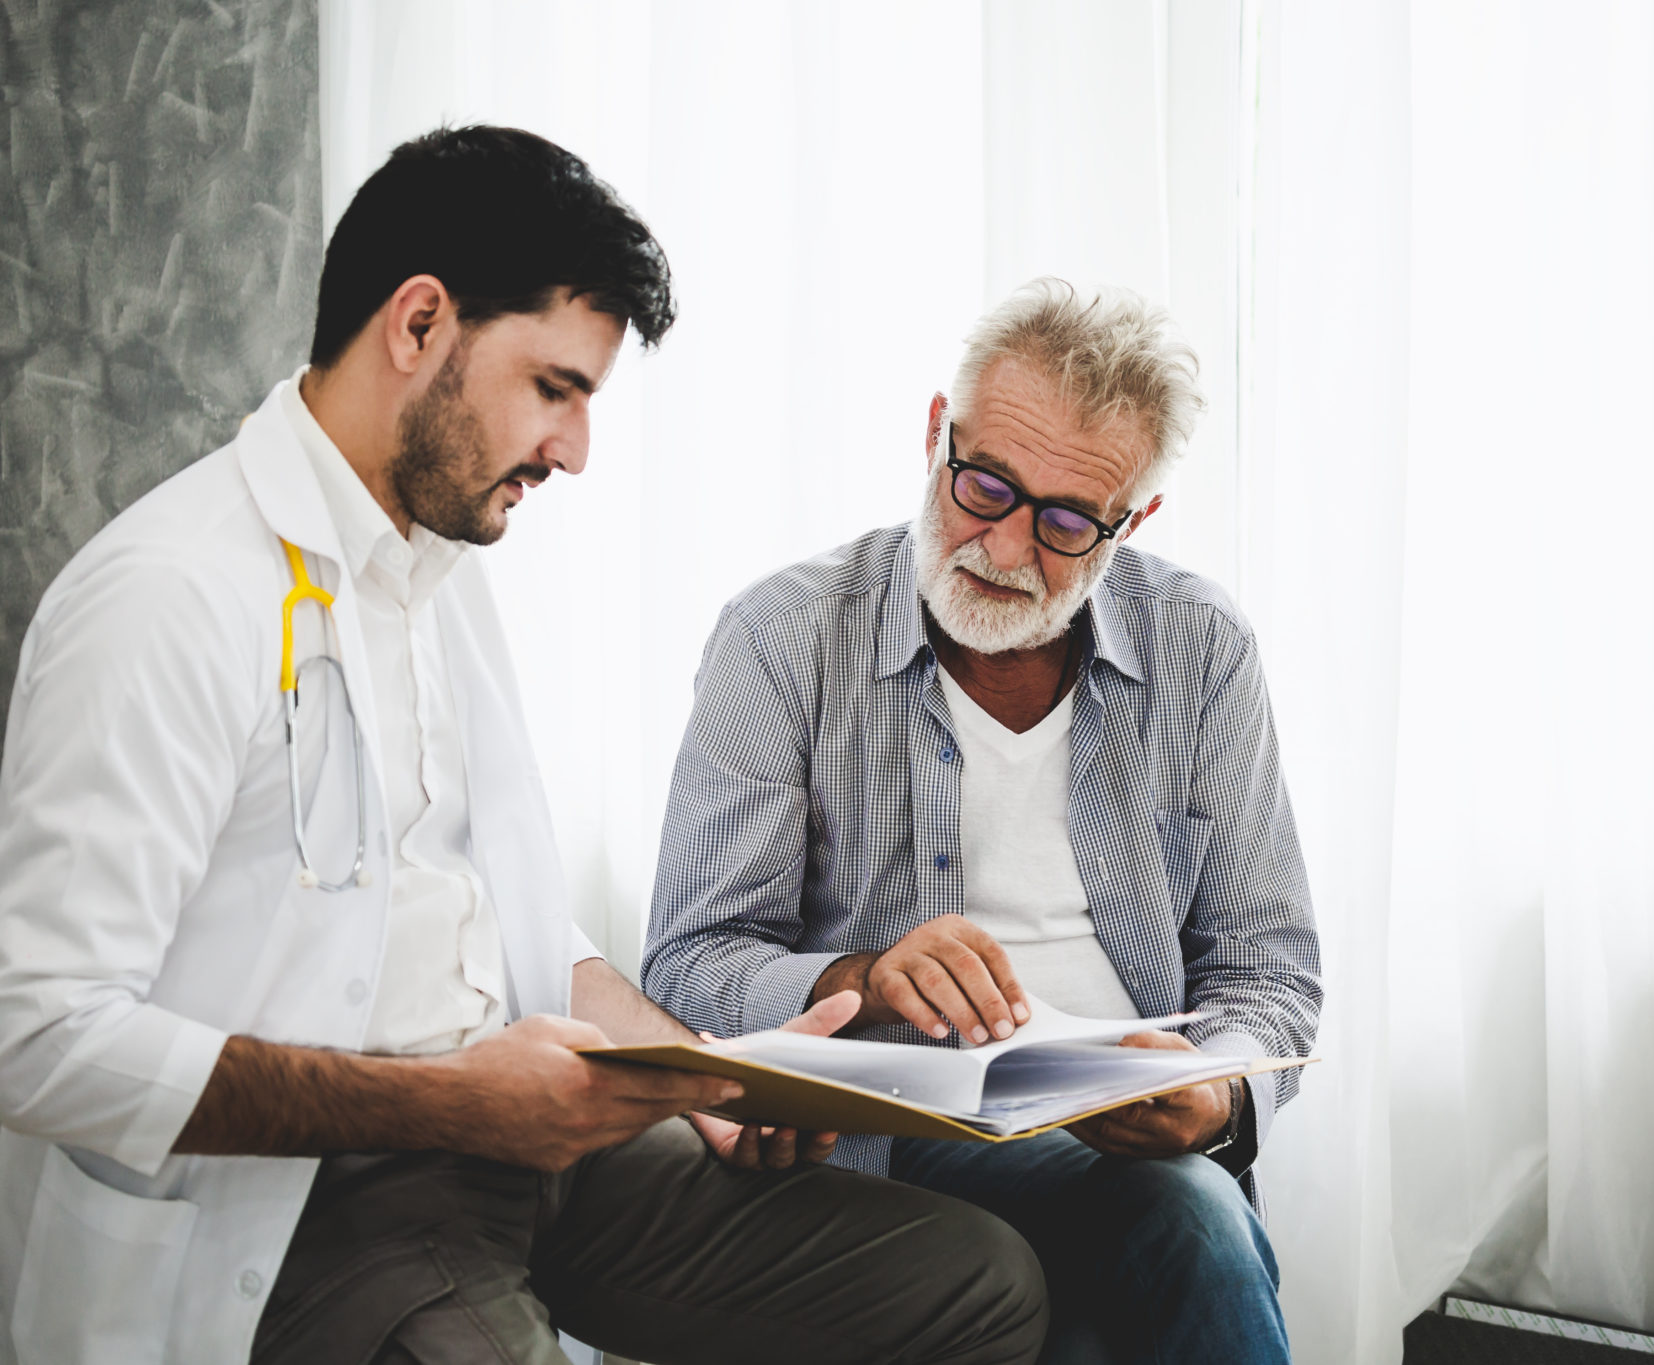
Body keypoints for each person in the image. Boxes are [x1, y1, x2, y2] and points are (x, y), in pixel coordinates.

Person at [0, 126, 1045, 1365]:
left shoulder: (439, 567)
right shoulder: (169, 596)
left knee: (974, 1284)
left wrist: (698, 1074)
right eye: (556, 389)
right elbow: (36, 1037)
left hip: (531, 1153)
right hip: (312, 1211)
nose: (574, 451)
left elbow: (512, 921)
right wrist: (454, 1102)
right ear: (419, 324)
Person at [643, 277, 1322, 1364]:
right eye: (985, 488)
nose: (1006, 552)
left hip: (1130, 1141)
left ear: (1130, 521)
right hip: (889, 1139)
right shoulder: (782, 638)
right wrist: (855, 977)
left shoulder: (1200, 648)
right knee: (1181, 1232)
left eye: (1064, 524)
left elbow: (1269, 968)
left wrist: (1213, 1096)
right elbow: (685, 965)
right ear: (933, 437)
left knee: (1178, 1215)